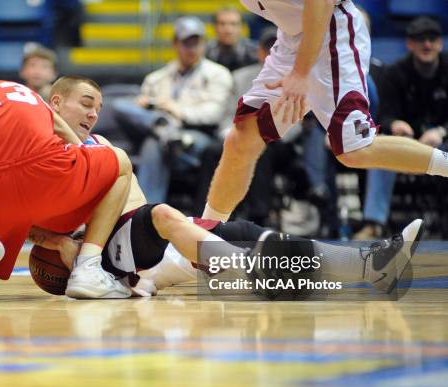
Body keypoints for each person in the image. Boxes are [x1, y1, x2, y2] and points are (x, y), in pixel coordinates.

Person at [30, 75, 423, 298]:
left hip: (141, 247)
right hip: (104, 255)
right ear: (56, 101)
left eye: (98, 106)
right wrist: (56, 244)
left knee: (252, 234)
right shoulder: (35, 151)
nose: (94, 113)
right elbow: (16, 219)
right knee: (165, 215)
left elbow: (135, 206)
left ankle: (371, 266)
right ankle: (247, 274)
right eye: (85, 103)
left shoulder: (101, 146)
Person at [201, 0, 448, 225]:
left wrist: (300, 73)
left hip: (332, 31)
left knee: (355, 149)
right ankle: (206, 236)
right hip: (293, 40)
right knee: (242, 139)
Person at [0, 78, 134, 303]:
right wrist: (84, 168)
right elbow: (64, 132)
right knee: (121, 162)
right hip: (49, 169)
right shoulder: (19, 90)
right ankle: (88, 266)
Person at [112, 16, 233, 203]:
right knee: (120, 105)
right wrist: (146, 104)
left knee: (154, 143)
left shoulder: (218, 74)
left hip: (195, 134)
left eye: (197, 43)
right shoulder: (157, 78)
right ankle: (162, 126)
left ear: (204, 44)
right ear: (175, 44)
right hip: (165, 134)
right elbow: (138, 113)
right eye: (187, 43)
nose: (192, 49)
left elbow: (213, 115)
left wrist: (176, 110)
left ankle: (145, 214)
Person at [356, 17, 448, 239]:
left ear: (440, 43)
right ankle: (374, 223)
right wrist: (395, 124)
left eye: (432, 39)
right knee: (380, 150)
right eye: (420, 39)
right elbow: (383, 115)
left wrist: (441, 131)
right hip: (408, 139)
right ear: (409, 43)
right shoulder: (394, 73)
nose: (426, 44)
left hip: (442, 138)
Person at [205, 6, 257, 72]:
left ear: (241, 27)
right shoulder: (205, 52)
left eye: (233, 24)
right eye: (222, 24)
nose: (228, 30)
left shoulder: (254, 52)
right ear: (214, 27)